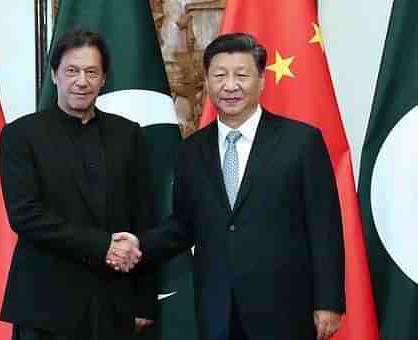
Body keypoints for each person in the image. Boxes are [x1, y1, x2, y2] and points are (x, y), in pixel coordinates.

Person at [110, 33, 345, 340]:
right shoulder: (191, 150)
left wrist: (328, 302)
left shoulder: (301, 142)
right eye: (220, 75)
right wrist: (138, 244)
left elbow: (324, 226)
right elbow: (183, 225)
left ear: (261, 80)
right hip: (217, 305)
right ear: (207, 81)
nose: (230, 85)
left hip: (285, 306)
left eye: (241, 75)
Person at [0, 29, 155, 340]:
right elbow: (25, 216)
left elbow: (144, 217)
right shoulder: (21, 135)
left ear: (103, 79)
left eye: (91, 72)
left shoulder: (128, 134)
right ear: (54, 75)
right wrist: (102, 246)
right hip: (45, 305)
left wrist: (144, 301)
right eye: (71, 71)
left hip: (113, 304)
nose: (81, 81)